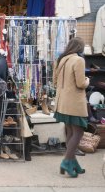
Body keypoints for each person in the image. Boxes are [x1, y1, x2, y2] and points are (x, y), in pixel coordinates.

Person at [53, 37, 89, 178]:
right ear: (80, 47)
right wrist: (87, 81)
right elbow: (80, 84)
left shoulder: (62, 59)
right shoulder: (78, 60)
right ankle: (67, 161)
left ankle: (73, 162)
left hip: (62, 102)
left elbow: (55, 80)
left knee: (70, 132)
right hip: (74, 103)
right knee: (78, 133)